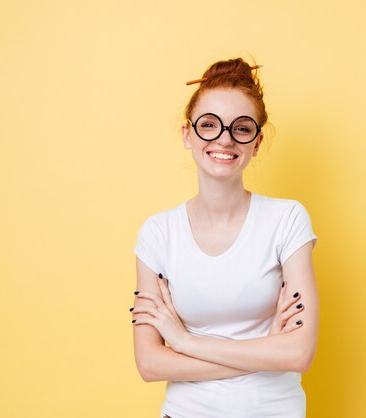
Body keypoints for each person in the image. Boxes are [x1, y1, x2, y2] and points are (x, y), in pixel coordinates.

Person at [130, 57, 319, 418]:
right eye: (209, 125)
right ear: (188, 134)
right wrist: (266, 349)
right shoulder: (157, 234)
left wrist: (185, 343)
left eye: (241, 128)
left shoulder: (287, 220)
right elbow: (150, 364)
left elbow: (299, 354)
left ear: (257, 142)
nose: (224, 139)